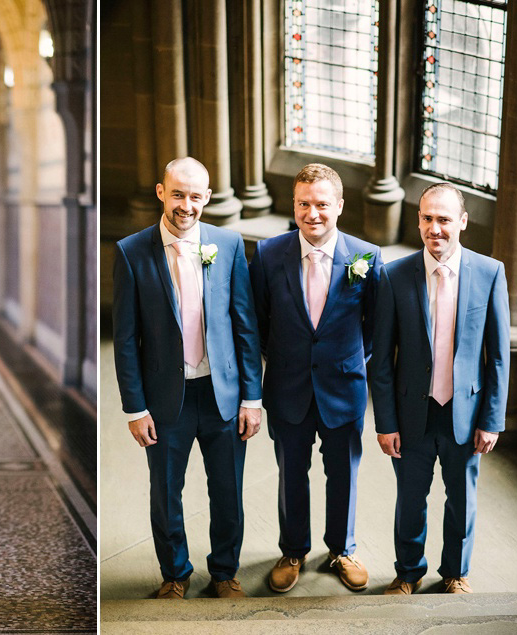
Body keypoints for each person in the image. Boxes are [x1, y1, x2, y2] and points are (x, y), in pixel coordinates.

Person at [112, 157, 262, 599]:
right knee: (166, 492)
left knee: (228, 491)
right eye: (178, 194)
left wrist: (251, 398)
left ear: (207, 198)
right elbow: (125, 339)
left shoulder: (229, 244)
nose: (186, 205)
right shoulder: (131, 251)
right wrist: (135, 408)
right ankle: (174, 573)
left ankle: (225, 574)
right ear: (162, 192)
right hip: (164, 398)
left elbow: (245, 327)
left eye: (196, 196)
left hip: (224, 394)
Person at [370, 182, 510, 595]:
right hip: (412, 413)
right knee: (410, 501)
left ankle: (455, 574)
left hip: (465, 414)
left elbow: (498, 356)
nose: (435, 228)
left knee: (461, 500)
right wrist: (385, 422)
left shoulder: (489, 273)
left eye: (444, 219)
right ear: (418, 220)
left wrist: (492, 420)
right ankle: (408, 572)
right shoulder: (394, 275)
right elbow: (381, 360)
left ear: (462, 222)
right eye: (428, 218)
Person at [248, 163, 380, 593]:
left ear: (339, 206)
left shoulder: (366, 257)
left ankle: (342, 548)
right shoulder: (268, 254)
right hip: (287, 387)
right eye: (304, 204)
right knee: (291, 473)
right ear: (294, 205)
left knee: (343, 473)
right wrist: (286, 360)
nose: (313, 213)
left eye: (322, 204)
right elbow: (258, 321)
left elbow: (377, 327)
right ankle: (292, 550)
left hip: (343, 389)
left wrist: (349, 363)